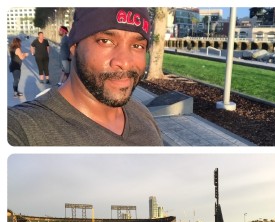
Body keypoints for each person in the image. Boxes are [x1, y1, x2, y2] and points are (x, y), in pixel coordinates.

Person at [8, 7, 163, 146]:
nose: (125, 62)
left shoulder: (142, 114)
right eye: (106, 41)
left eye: (137, 46)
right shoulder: (23, 128)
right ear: (74, 46)